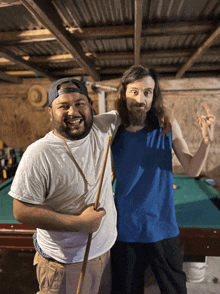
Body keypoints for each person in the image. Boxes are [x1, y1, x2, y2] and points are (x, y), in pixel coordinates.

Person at [9, 77, 122, 294]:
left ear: (90, 107)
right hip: (65, 263)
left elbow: (135, 110)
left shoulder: (103, 126)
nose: (73, 112)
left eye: (80, 103)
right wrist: (79, 223)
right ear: (51, 112)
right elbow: (20, 211)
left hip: (103, 251)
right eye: (63, 106)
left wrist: (162, 115)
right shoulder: (39, 153)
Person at [111, 65, 215, 294]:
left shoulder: (166, 126)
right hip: (125, 230)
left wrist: (206, 142)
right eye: (135, 92)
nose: (141, 99)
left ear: (154, 95)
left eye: (147, 92)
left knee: (174, 290)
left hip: (163, 228)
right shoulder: (113, 130)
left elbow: (192, 169)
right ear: (124, 93)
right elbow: (107, 176)